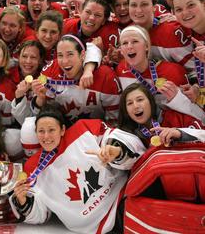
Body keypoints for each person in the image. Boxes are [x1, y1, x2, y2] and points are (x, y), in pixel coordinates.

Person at [10, 103, 147, 233]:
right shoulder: (33, 168)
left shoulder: (83, 129)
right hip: (92, 227)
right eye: (41, 131)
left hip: (123, 199)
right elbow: (41, 214)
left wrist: (116, 151)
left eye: (51, 130)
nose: (46, 136)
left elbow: (132, 147)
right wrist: (22, 201)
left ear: (62, 130)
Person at [116, 25, 204, 122]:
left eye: (135, 41)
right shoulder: (120, 70)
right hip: (141, 131)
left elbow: (201, 117)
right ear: (121, 51)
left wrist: (177, 99)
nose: (129, 46)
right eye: (124, 43)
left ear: (146, 46)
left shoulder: (172, 71)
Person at [31, 34, 121, 125]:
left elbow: (114, 121)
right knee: (29, 127)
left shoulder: (106, 75)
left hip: (97, 132)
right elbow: (40, 117)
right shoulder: (48, 72)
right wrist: (40, 99)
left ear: (82, 55)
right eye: (60, 55)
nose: (65, 61)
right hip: (61, 130)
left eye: (70, 54)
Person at [118, 83, 204, 147]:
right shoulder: (129, 136)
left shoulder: (174, 117)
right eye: (129, 103)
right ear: (126, 111)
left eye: (140, 100)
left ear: (151, 102)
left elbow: (202, 134)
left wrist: (180, 134)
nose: (135, 106)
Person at [172, 0, 205, 104]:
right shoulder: (187, 31)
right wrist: (197, 87)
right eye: (179, 9)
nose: (185, 13)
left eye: (191, 5)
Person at [10, 40, 46, 124]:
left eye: (33, 57)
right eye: (24, 56)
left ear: (40, 60)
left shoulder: (44, 80)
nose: (28, 61)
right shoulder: (8, 75)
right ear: (18, 57)